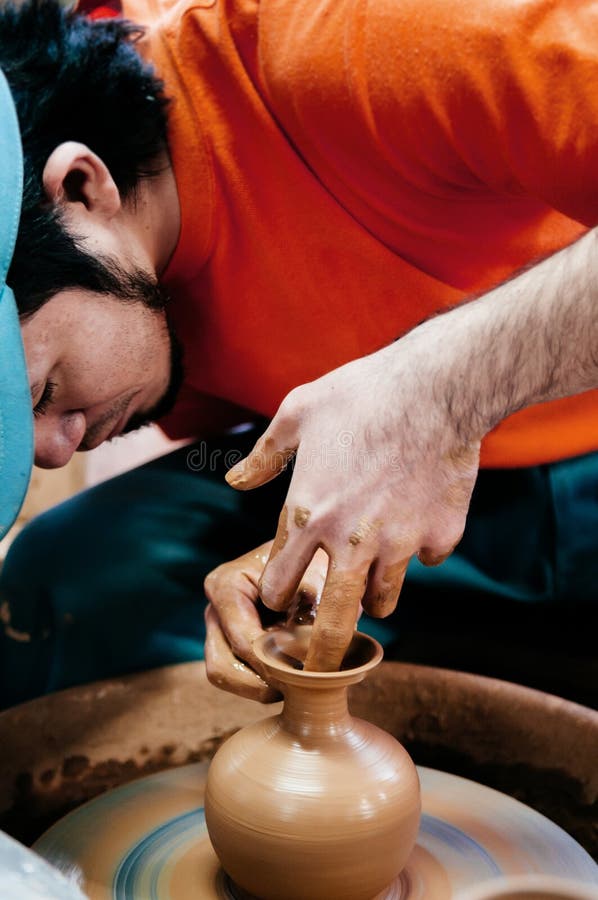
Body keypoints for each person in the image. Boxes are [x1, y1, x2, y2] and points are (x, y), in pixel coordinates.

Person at [0, 0, 597, 710]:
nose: (58, 450)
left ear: (81, 187)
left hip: (578, 445)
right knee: (76, 572)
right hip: (444, 498)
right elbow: (289, 452)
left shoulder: (361, 40)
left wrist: (436, 395)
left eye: (43, 394)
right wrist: (287, 558)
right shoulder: (139, 308)